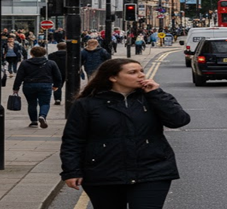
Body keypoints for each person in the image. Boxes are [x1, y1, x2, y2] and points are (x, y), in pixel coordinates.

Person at [60, 58, 191, 208]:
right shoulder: (87, 104)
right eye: (133, 72)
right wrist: (71, 171)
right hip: (104, 173)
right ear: (113, 77)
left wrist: (156, 94)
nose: (141, 75)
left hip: (151, 171)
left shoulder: (152, 98)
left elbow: (179, 120)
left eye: (141, 71)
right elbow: (73, 139)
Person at [12, 46, 62, 129]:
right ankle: (42, 116)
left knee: (31, 103)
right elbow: (58, 76)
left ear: (31, 53)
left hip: (29, 85)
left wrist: (16, 88)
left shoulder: (25, 63)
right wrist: (56, 85)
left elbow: (19, 76)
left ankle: (34, 121)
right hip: (45, 85)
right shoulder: (51, 63)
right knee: (45, 103)